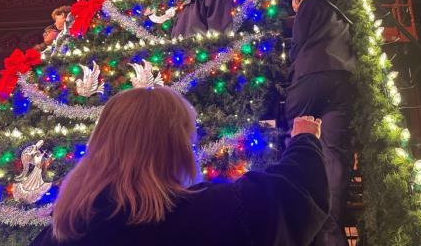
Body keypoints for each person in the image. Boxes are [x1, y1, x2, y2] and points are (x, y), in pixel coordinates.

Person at [30, 87, 329, 246]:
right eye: (189, 140)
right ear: (174, 146)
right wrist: (304, 138)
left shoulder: (61, 232)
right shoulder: (209, 213)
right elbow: (294, 194)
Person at [285, 0, 356, 246]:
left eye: (296, 1)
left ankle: (306, 220)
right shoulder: (342, 17)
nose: (295, 6)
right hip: (342, 79)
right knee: (334, 151)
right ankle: (331, 224)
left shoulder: (309, 5)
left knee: (295, 138)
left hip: (310, 75)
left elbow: (298, 43)